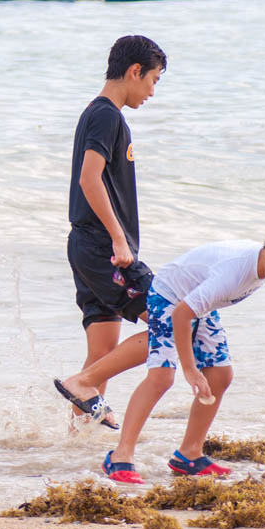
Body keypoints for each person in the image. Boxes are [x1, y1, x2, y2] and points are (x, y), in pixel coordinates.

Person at [102, 221, 265, 483]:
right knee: (161, 378)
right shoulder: (234, 273)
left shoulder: (263, 267)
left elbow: (196, 305)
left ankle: (189, 455)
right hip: (169, 296)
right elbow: (182, 314)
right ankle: (120, 455)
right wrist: (190, 369)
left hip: (196, 301)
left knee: (220, 375)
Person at [54, 35, 167, 429]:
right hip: (103, 247)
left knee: (102, 353)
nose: (153, 91)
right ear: (134, 71)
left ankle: (75, 441)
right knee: (168, 320)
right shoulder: (107, 116)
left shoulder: (95, 112)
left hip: (87, 245)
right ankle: (81, 388)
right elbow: (89, 179)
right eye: (153, 80)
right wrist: (119, 239)